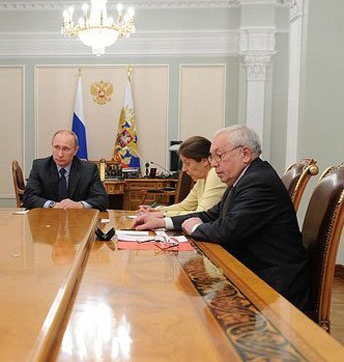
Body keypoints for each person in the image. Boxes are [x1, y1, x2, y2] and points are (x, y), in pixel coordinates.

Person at [131, 124, 309, 310]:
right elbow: (211, 214)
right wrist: (163, 222)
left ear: (245, 154)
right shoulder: (243, 178)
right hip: (249, 273)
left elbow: (229, 229)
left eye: (219, 156)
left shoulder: (259, 181)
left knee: (188, 307)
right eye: (212, 157)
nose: (214, 163)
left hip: (272, 286)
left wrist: (195, 228)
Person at [137, 136, 226, 218]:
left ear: (204, 161)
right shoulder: (202, 179)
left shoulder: (214, 174)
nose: (183, 169)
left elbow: (202, 214)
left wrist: (163, 214)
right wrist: (156, 210)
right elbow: (185, 207)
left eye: (187, 163)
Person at [22, 129, 109, 210]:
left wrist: (79, 205)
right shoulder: (40, 167)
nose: (60, 154)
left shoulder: (88, 170)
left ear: (75, 150)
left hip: (78, 218)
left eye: (66, 149)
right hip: (47, 218)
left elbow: (102, 200)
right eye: (56, 147)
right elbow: (28, 197)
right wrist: (52, 205)